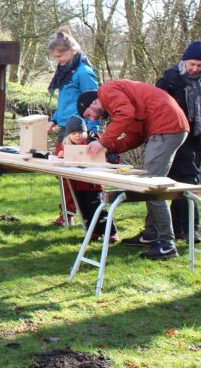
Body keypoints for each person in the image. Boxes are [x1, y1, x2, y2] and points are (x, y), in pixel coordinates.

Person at [78, 80, 189, 259]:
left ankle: (167, 244)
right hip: (167, 126)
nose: (92, 119)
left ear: (93, 102)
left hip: (166, 126)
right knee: (151, 184)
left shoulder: (106, 91)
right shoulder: (124, 105)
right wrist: (108, 148)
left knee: (152, 186)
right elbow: (134, 137)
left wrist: (102, 142)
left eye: (88, 114)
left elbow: (126, 114)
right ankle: (151, 234)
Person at [45, 28, 99, 225]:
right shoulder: (65, 72)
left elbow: (94, 101)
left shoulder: (84, 72)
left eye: (61, 55)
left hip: (81, 132)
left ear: (73, 50)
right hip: (65, 129)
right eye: (56, 56)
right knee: (63, 175)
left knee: (84, 179)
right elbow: (66, 102)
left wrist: (91, 132)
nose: (58, 59)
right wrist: (53, 120)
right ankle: (67, 214)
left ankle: (92, 218)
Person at [156, 40, 201, 243]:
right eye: (192, 63)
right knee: (184, 181)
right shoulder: (170, 78)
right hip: (175, 135)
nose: (195, 69)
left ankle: (184, 228)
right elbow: (158, 105)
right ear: (184, 61)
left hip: (196, 138)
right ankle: (189, 228)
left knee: (187, 181)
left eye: (199, 66)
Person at [55, 115, 119, 242]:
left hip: (92, 185)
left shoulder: (92, 143)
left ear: (85, 132)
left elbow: (101, 158)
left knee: (98, 210)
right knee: (84, 210)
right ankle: (93, 232)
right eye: (74, 133)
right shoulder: (67, 146)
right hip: (77, 186)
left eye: (80, 132)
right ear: (69, 136)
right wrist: (62, 155)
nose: (78, 136)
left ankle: (111, 233)